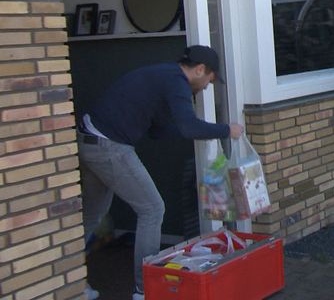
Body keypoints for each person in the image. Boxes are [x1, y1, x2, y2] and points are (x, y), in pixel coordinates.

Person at [77, 45, 244, 300]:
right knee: (152, 210)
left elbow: (159, 131)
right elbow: (189, 127)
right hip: (107, 145)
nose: (207, 87)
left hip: (90, 140)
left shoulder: (164, 76)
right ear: (199, 69)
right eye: (209, 80)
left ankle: (72, 284)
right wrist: (225, 131)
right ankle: (146, 291)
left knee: (92, 214)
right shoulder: (176, 81)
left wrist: (197, 134)